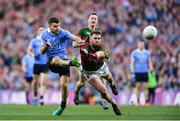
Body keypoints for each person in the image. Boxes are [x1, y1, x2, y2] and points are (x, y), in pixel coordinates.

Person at [73, 12, 118, 110]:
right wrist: (83, 43)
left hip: (96, 57)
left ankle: (104, 99)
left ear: (97, 21)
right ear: (88, 20)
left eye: (95, 19)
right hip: (84, 58)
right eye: (92, 18)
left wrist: (104, 53)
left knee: (102, 76)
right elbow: (73, 43)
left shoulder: (98, 32)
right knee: (81, 82)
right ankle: (76, 92)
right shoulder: (83, 31)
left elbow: (101, 46)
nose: (93, 20)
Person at [40, 17, 83, 116]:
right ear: (49, 26)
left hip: (64, 61)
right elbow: (42, 51)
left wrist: (80, 42)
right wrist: (47, 45)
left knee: (64, 85)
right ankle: (72, 63)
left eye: (59, 25)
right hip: (52, 62)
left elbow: (75, 38)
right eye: (55, 26)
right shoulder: (44, 35)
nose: (58, 28)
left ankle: (62, 106)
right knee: (56, 59)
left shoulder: (63, 32)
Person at [79, 29, 121, 115]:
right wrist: (85, 52)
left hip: (101, 67)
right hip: (89, 72)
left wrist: (94, 55)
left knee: (109, 78)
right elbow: (84, 51)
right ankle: (114, 104)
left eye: (99, 38)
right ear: (90, 38)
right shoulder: (84, 47)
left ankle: (113, 85)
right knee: (103, 90)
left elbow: (101, 53)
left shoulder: (102, 46)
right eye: (95, 38)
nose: (97, 40)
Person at [28, 27, 48, 106]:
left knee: (43, 81)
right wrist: (33, 55)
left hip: (44, 63)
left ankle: (42, 98)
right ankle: (35, 97)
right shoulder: (33, 41)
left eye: (44, 30)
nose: (42, 31)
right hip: (36, 63)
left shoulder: (47, 41)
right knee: (35, 81)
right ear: (37, 32)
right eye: (41, 30)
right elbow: (29, 51)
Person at [130, 40, 153, 105]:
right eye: (140, 44)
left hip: (145, 71)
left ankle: (146, 101)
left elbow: (149, 61)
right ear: (138, 45)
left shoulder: (147, 52)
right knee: (138, 87)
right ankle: (138, 101)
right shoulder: (134, 52)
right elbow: (132, 62)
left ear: (144, 45)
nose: (141, 45)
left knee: (146, 86)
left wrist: (151, 68)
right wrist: (132, 70)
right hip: (137, 72)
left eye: (142, 44)